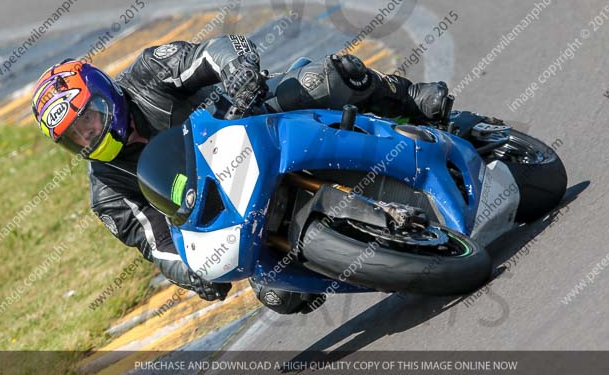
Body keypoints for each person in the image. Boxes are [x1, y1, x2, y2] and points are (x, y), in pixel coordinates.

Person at [31, 34, 450, 314]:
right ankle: (366, 249)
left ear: (106, 95)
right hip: (235, 205)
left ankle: (410, 99)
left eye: (89, 118)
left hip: (257, 120)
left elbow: (215, 50)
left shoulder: (147, 74)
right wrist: (192, 274)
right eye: (74, 136)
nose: (89, 134)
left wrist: (239, 72)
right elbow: (157, 246)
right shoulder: (107, 191)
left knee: (328, 78)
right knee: (281, 293)